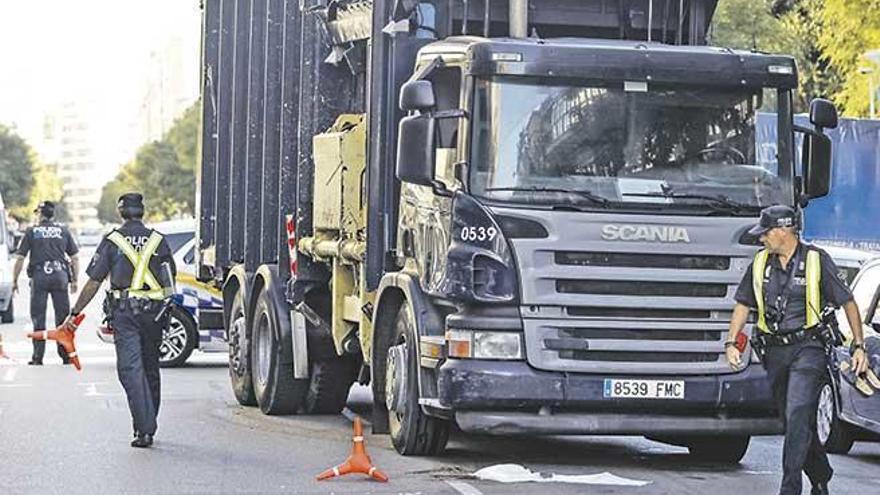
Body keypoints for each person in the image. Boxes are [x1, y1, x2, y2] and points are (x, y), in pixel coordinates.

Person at [726, 205, 869, 495]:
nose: (761, 238)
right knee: (795, 421)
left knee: (798, 412)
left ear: (782, 231)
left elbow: (848, 303)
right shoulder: (760, 262)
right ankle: (820, 473)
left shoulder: (817, 260)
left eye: (765, 233)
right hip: (775, 353)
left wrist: (858, 346)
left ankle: (789, 488)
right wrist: (731, 342)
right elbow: (743, 302)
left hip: (809, 348)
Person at [63, 193, 176, 448]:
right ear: (142, 212)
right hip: (154, 314)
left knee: (130, 370)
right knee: (150, 369)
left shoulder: (112, 241)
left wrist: (75, 312)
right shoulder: (158, 240)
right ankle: (147, 425)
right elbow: (170, 280)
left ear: (121, 212)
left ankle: (144, 428)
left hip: (126, 313)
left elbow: (93, 281)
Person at [11, 201, 79, 365]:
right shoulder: (63, 231)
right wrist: (75, 280)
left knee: (38, 318)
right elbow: (75, 257)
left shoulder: (32, 231)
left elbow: (20, 258)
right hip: (60, 276)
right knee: (62, 318)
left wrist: (14, 280)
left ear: (40, 214)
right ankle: (65, 356)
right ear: (52, 214)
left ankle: (37, 357)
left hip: (40, 277)